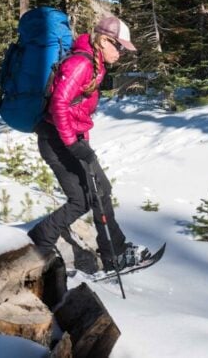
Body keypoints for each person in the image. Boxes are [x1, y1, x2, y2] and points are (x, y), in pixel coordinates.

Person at [27, 16, 148, 273]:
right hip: (56, 140)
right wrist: (73, 144)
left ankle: (114, 251)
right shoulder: (80, 63)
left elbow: (77, 111)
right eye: (120, 46)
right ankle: (40, 242)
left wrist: (83, 144)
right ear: (104, 40)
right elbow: (59, 104)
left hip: (69, 139)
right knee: (82, 199)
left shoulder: (95, 63)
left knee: (100, 189)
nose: (122, 53)